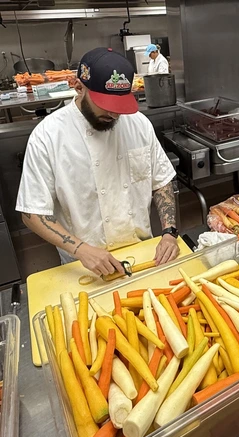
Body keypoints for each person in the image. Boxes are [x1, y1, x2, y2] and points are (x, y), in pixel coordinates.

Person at [16, 47, 179, 277]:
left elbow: (161, 180)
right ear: (79, 87)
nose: (114, 115)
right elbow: (32, 213)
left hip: (144, 254)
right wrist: (82, 250)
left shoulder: (139, 124)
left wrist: (170, 233)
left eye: (119, 106)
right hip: (84, 266)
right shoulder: (48, 136)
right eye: (106, 104)